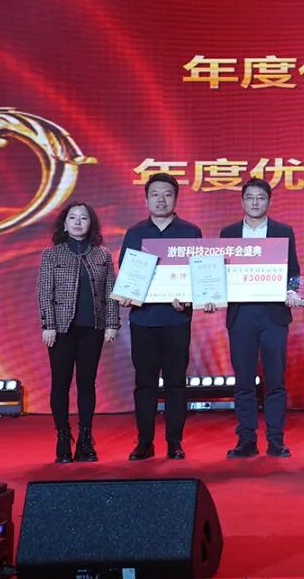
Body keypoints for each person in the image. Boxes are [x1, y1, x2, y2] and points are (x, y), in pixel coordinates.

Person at [218, 178, 304, 459]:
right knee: (243, 381)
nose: (255, 202)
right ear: (242, 201)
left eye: (261, 198)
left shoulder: (283, 231)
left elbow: (293, 271)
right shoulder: (229, 233)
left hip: (273, 315)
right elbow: (219, 271)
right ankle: (246, 439)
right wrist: (210, 293)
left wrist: (293, 291)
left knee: (275, 380)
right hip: (241, 314)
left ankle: (276, 439)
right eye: (250, 197)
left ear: (269, 201)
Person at [118, 172, 202, 460]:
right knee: (145, 384)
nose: (161, 200)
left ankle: (174, 442)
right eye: (155, 194)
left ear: (176, 198)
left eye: (167, 194)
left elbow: (200, 276)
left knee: (176, 383)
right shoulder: (135, 233)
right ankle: (144, 442)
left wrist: (190, 297)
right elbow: (127, 276)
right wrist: (127, 293)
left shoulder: (191, 232)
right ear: (146, 199)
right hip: (143, 320)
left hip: (177, 320)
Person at [37, 201, 119, 463]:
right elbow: (45, 293)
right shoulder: (52, 255)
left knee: (87, 383)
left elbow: (111, 292)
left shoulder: (102, 255)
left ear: (91, 224)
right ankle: (63, 437)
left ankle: (85, 439)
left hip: (92, 328)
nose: (77, 222)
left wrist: (112, 324)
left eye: (83, 218)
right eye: (72, 217)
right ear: (64, 224)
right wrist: (48, 325)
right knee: (60, 384)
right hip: (61, 330)